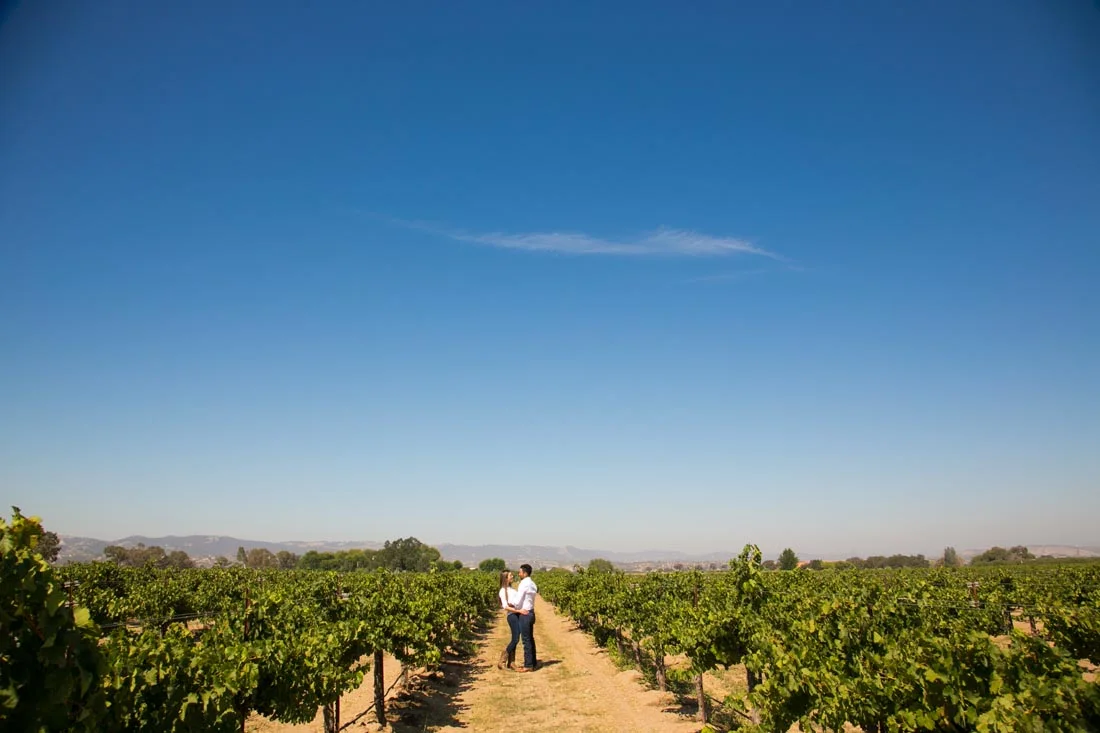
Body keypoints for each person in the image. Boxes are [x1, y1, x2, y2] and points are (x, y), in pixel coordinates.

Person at [507, 563, 538, 671]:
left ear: (524, 573)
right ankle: (533, 662)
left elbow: (518, 601)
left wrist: (510, 604)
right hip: (531, 612)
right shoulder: (533, 584)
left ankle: (528, 665)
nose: (518, 573)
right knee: (530, 638)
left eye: (520, 572)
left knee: (525, 640)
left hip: (524, 614)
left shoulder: (523, 584)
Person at [497, 570, 520, 669]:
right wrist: (517, 610)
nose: (512, 576)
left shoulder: (512, 589)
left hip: (517, 615)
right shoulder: (503, 591)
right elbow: (505, 606)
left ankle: (511, 662)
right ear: (505, 578)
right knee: (515, 639)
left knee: (515, 639)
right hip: (512, 616)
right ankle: (502, 660)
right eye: (510, 575)